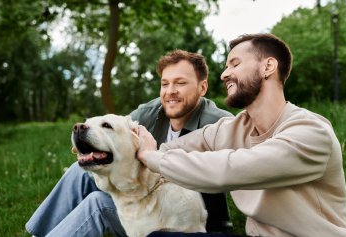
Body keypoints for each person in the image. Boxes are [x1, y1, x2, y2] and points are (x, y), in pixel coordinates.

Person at [137, 34, 346, 237]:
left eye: (235, 64)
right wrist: (144, 149)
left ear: (268, 66)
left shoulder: (311, 132)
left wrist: (152, 158)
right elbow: (174, 147)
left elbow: (227, 169)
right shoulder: (235, 127)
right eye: (225, 67)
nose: (224, 74)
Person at [26, 50, 233, 237]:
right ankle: (39, 233)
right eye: (164, 83)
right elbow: (117, 132)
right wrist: (89, 143)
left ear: (202, 87)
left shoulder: (219, 123)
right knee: (80, 171)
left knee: (97, 203)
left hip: (187, 221)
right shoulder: (150, 112)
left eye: (180, 83)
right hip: (143, 206)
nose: (170, 91)